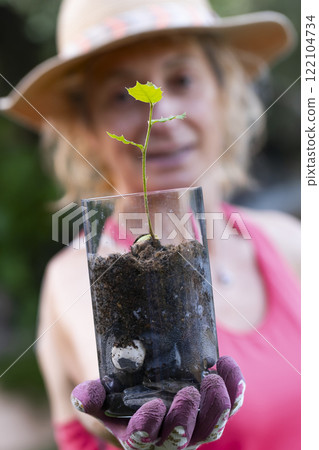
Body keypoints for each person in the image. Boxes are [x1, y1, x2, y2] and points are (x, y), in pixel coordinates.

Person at [0, 0, 301, 449]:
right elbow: (111, 384)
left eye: (182, 79)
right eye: (122, 95)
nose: (158, 118)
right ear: (87, 126)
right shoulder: (81, 277)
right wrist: (133, 414)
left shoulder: (288, 241)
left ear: (224, 91)